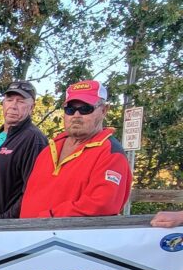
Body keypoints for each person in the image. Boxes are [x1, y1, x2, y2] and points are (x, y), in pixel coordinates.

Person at [20, 80, 132, 218]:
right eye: (70, 109)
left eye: (86, 109)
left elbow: (102, 205)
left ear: (104, 110)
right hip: (31, 235)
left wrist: (49, 217)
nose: (76, 116)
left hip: (66, 237)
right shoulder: (49, 149)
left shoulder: (110, 153)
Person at [0, 80, 48, 218]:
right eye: (9, 100)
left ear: (32, 107)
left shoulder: (33, 139)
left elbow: (35, 191)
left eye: (21, 101)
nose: (13, 106)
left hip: (8, 229)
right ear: (3, 103)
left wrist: (5, 220)